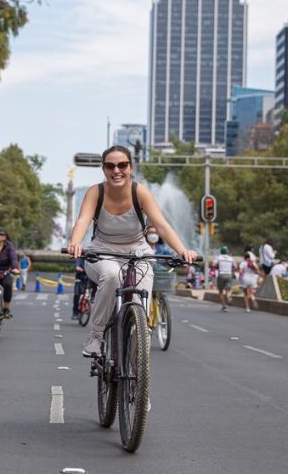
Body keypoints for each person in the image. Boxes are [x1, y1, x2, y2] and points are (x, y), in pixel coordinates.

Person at [66, 145, 196, 357]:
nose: (116, 170)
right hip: (102, 252)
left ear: (130, 167)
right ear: (104, 169)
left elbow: (161, 225)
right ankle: (97, 335)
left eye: (122, 165)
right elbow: (82, 221)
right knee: (111, 275)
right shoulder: (95, 192)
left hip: (138, 253)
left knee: (140, 302)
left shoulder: (140, 192)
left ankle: (136, 346)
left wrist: (183, 251)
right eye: (110, 166)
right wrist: (75, 243)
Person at [213, 245, 236, 311]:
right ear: (227, 252)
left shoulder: (218, 258)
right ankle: (228, 295)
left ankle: (224, 306)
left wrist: (217, 267)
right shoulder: (230, 258)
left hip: (221, 275)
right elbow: (235, 266)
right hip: (229, 275)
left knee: (221, 291)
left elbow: (213, 265)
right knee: (228, 289)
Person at [71, 256, 90, 320]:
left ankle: (90, 300)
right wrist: (78, 267)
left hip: (88, 280)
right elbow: (77, 265)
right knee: (77, 295)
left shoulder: (92, 258)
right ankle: (75, 312)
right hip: (79, 279)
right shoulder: (80, 258)